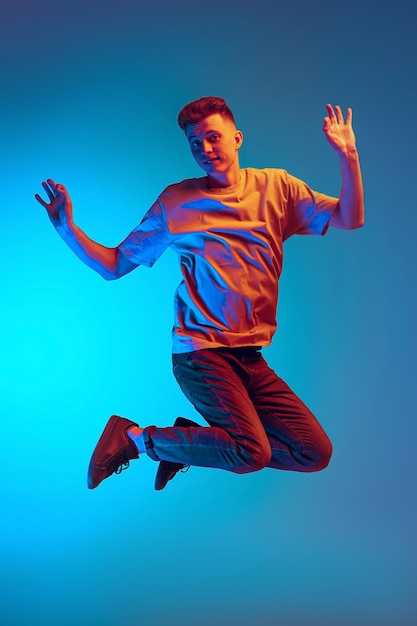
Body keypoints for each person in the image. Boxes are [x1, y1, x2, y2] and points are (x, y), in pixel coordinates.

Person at [35, 97, 364, 492]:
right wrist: (67, 228)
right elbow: (113, 266)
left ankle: (186, 443)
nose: (205, 150)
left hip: (250, 356)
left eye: (213, 137)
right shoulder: (177, 202)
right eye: (195, 143)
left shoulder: (277, 188)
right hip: (201, 352)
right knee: (250, 453)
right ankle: (134, 439)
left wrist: (348, 155)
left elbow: (349, 217)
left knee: (312, 452)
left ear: (237, 138)